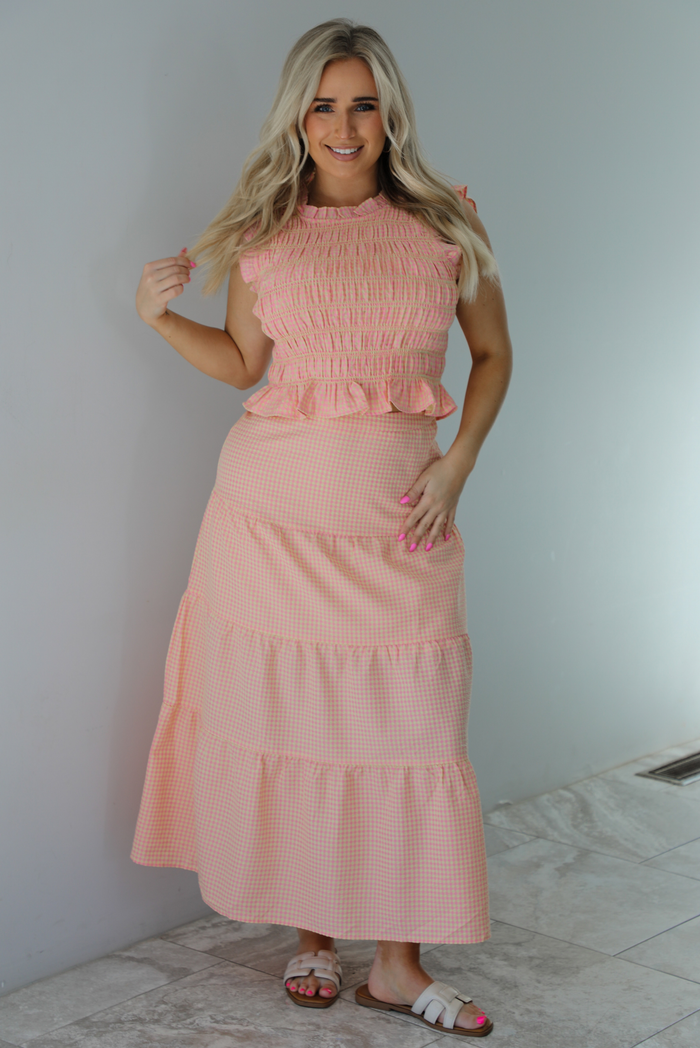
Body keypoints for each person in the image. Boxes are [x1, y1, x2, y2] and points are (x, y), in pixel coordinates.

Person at [132, 17, 512, 1039]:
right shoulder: (266, 231)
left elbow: (492, 356)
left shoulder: (448, 224)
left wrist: (459, 464)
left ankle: (397, 963)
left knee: (409, 733)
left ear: (391, 114)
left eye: (362, 103)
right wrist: (161, 318)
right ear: (297, 115)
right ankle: (312, 938)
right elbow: (244, 366)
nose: (343, 125)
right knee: (304, 727)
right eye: (323, 103)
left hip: (402, 525)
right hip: (271, 525)